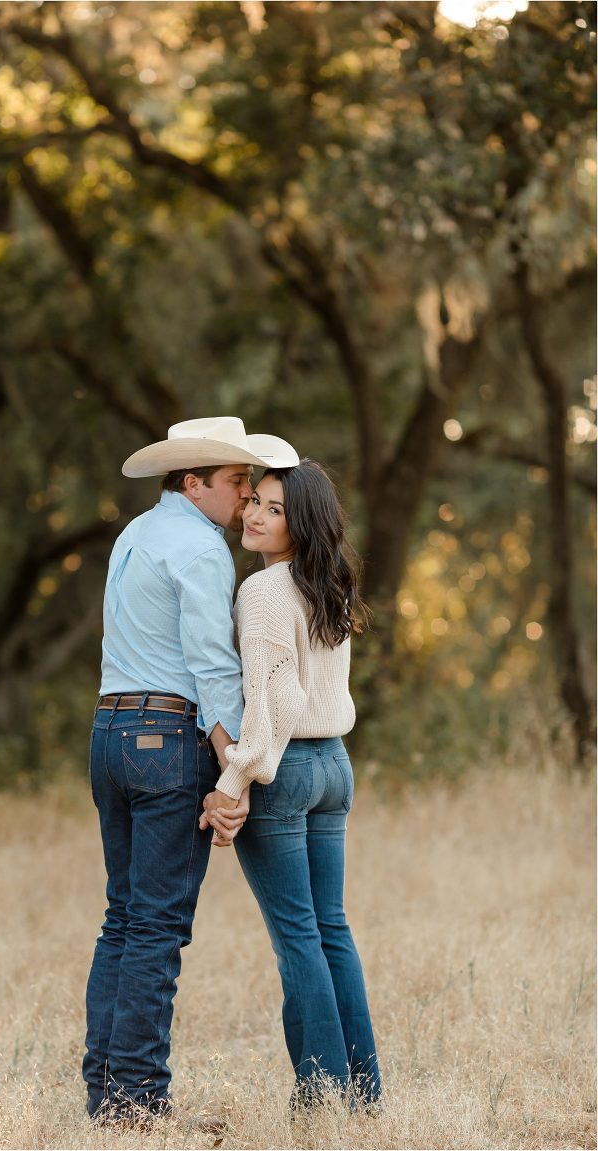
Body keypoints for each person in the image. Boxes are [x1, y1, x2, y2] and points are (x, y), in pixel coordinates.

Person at [83, 416, 299, 1124]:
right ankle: (138, 1099)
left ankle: (104, 1091)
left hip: (109, 730)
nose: (245, 498)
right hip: (163, 736)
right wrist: (232, 770)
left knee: (123, 918)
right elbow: (212, 667)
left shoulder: (135, 534)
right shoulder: (202, 548)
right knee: (155, 926)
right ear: (193, 482)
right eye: (237, 483)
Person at [201, 458, 382, 1109]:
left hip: (290, 769)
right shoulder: (325, 582)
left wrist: (235, 778)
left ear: (299, 522)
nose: (253, 514)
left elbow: (274, 698)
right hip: (333, 765)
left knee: (300, 937)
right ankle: (363, 1094)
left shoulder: (265, 591)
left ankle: (322, 1095)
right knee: (330, 928)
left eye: (274, 509)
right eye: (254, 501)